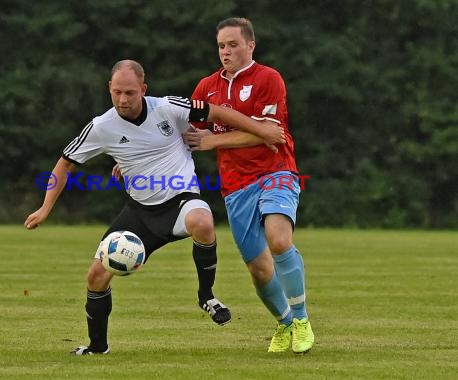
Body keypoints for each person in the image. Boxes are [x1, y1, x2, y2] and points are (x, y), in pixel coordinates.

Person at [24, 59, 285, 355]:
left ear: (143, 90)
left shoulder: (168, 108)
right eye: (118, 92)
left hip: (181, 201)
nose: (123, 99)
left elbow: (218, 112)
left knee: (203, 220)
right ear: (109, 88)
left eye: (130, 93)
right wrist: (45, 208)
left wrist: (261, 131)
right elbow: (65, 162)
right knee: (96, 276)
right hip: (140, 213)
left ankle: (207, 296)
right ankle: (98, 347)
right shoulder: (101, 126)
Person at [184, 17, 315, 353]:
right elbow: (179, 128)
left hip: (277, 171)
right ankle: (285, 324)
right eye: (221, 46)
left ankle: (301, 320)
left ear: (250, 45)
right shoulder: (207, 88)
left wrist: (213, 142)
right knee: (258, 269)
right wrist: (129, 161)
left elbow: (270, 132)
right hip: (235, 186)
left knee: (279, 239)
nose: (226, 51)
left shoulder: (268, 78)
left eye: (233, 44)